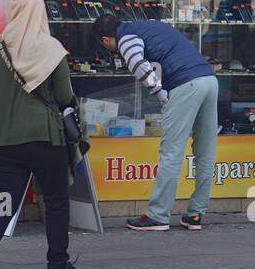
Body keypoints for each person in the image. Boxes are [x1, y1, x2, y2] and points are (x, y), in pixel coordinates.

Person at [0, 0, 89, 269]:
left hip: (3, 140)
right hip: (44, 138)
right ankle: (58, 266)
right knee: (56, 201)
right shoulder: (51, 50)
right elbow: (63, 95)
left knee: (5, 203)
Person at [93, 13, 218, 231]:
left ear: (105, 40)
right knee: (206, 151)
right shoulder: (148, 25)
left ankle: (158, 216)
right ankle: (196, 214)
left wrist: (159, 93)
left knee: (171, 152)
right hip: (209, 79)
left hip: (184, 84)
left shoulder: (125, 38)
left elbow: (139, 65)